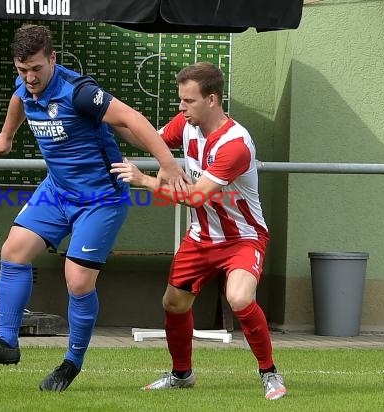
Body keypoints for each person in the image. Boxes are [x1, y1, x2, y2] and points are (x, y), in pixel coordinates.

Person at [0, 24, 187, 392]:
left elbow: (131, 119)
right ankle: (6, 342)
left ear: (52, 59)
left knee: (78, 280)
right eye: (23, 70)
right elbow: (19, 100)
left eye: (37, 68)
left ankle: (71, 362)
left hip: (100, 198)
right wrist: (6, 136)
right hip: (57, 191)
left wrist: (168, 164)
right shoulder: (26, 86)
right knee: (13, 251)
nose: (30, 77)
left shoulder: (80, 93)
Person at [110, 62, 287, 400]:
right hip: (201, 236)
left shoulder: (235, 143)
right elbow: (146, 137)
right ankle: (181, 376)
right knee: (174, 303)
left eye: (188, 101)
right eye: (180, 100)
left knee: (239, 297)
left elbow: (194, 196)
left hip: (242, 238)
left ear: (212, 100)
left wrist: (143, 180)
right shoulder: (186, 125)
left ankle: (269, 373)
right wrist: (107, 114)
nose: (181, 107)